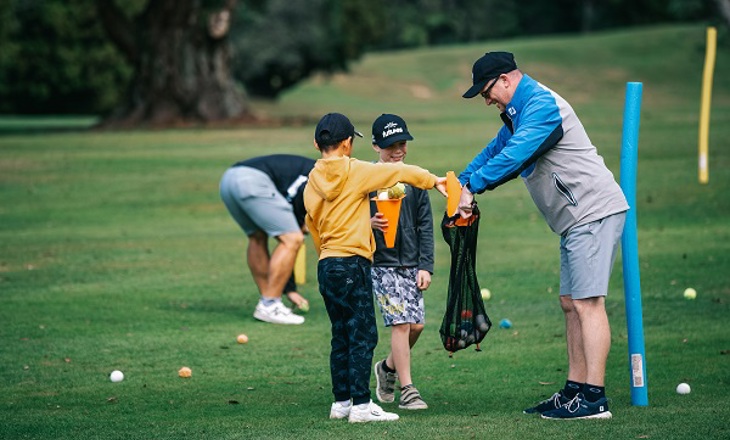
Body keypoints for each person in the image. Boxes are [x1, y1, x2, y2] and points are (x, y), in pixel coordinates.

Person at [457, 51, 629, 420]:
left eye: (487, 91)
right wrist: (459, 181)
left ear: (506, 79)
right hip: (574, 220)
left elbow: (517, 154)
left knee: (588, 303)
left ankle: (594, 399)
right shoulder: (518, 112)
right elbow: (496, 149)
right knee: (570, 303)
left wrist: (472, 185)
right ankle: (574, 390)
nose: (487, 100)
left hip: (592, 211)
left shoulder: (541, 105)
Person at [304, 112, 447, 423]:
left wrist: (326, 253)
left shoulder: (312, 182)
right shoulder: (357, 171)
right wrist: (433, 180)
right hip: (353, 262)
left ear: (317, 143)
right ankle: (361, 406)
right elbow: (400, 172)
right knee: (363, 335)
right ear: (347, 144)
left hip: (326, 264)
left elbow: (312, 224)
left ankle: (340, 402)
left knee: (340, 334)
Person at [368, 114, 432, 411]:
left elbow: (425, 225)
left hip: (411, 264)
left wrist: (425, 266)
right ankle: (408, 390)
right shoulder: (365, 179)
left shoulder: (415, 179)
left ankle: (387, 368)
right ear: (375, 146)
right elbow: (350, 217)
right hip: (381, 264)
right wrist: (369, 223)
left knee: (416, 326)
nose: (398, 150)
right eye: (391, 144)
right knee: (401, 324)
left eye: (402, 143)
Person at [219, 154, 314, 325]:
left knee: (257, 237)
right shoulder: (319, 175)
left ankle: (267, 302)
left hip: (229, 180)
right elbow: (298, 204)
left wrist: (290, 288)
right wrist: (301, 224)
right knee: (292, 239)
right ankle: (270, 304)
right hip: (251, 181)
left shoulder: (309, 170)